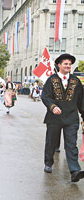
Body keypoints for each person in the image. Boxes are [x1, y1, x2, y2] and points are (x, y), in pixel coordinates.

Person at [41, 53, 84, 182]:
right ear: (59, 65)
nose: (68, 66)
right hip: (54, 118)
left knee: (71, 144)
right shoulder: (51, 79)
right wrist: (53, 106)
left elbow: (81, 101)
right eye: (66, 64)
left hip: (71, 118)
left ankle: (74, 171)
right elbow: (45, 96)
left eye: (70, 64)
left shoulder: (76, 81)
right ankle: (48, 163)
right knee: (51, 142)